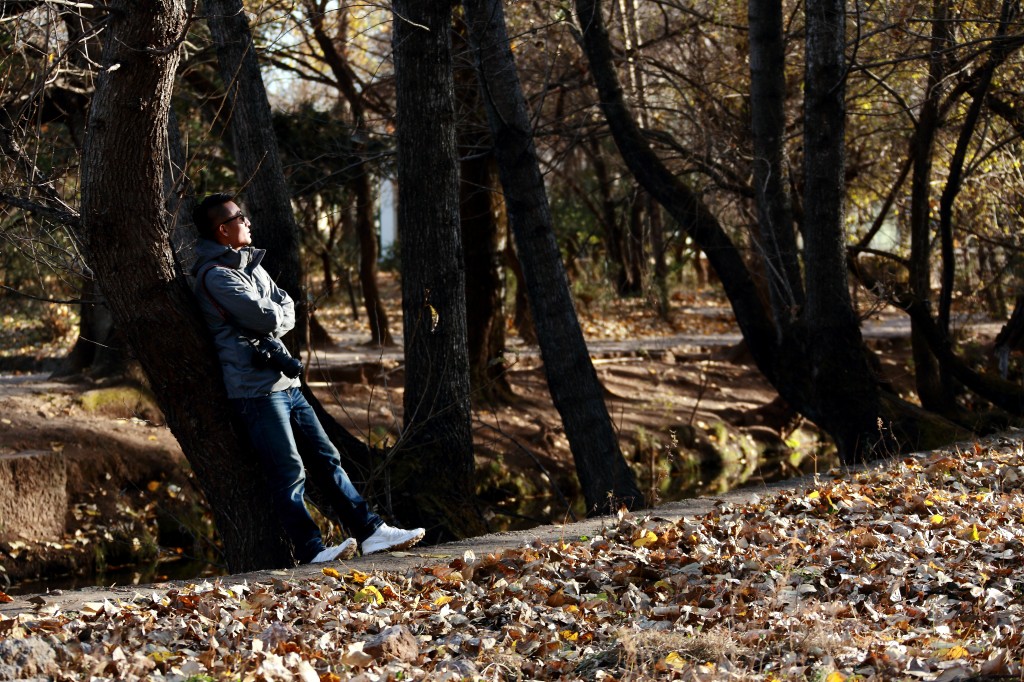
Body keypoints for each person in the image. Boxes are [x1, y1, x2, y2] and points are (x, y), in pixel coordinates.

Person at [190, 193, 424, 564]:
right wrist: (277, 314)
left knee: (327, 458)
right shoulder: (216, 276)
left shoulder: (251, 264)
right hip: (256, 391)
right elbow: (269, 318)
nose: (248, 221)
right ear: (223, 229)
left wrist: (277, 313)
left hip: (286, 384)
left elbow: (286, 307)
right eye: (241, 217)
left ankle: (371, 532)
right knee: (288, 471)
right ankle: (311, 550)